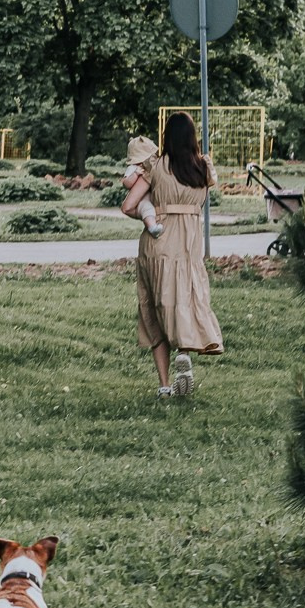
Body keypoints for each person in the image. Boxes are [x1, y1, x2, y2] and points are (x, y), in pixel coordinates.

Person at [122, 112, 223, 396]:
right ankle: (185, 352)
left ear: (166, 137)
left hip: (158, 245)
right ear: (192, 137)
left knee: (156, 307)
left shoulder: (156, 167)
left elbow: (128, 205)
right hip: (189, 248)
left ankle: (165, 385)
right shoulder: (203, 168)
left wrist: (151, 214)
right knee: (188, 300)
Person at [122, 135, 166, 238]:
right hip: (142, 200)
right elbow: (126, 183)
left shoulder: (152, 167)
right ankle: (152, 227)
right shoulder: (133, 168)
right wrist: (135, 174)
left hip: (153, 197)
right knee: (147, 209)